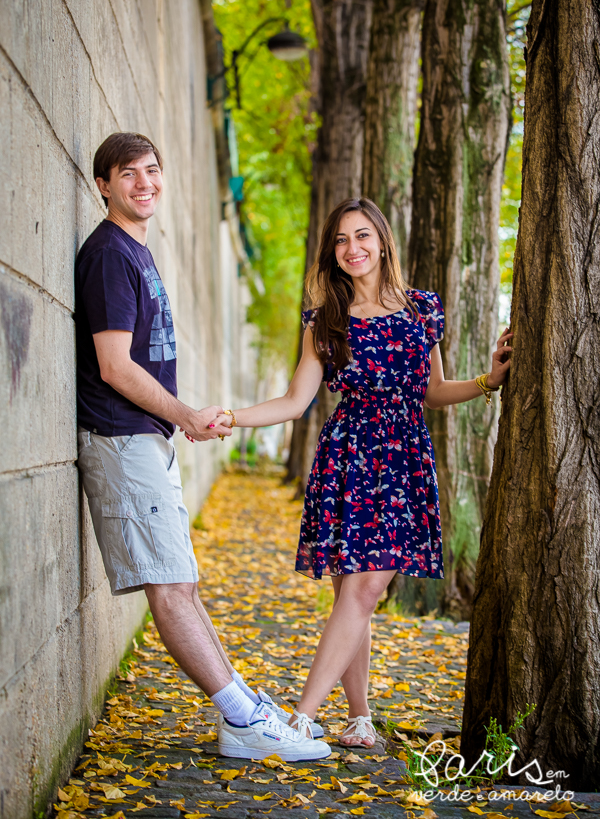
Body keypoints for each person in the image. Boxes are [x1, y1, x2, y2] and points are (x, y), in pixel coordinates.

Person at [209, 197, 512, 748]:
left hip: (403, 455)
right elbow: (295, 401)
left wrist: (488, 381)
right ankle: (345, 716)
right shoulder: (324, 320)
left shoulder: (422, 309)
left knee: (366, 586)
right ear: (333, 252)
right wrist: (231, 417)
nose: (353, 249)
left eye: (362, 236)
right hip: (349, 457)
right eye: (342, 241)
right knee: (356, 589)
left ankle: (303, 717)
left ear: (382, 240)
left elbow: (432, 391)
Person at [75, 132, 330, 762]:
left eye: (152, 170)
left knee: (182, 582)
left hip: (143, 440)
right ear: (103, 185)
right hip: (121, 437)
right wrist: (186, 415)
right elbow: (114, 366)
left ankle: (245, 708)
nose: (144, 183)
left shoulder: (136, 251)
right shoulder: (110, 254)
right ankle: (242, 721)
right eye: (127, 173)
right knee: (169, 585)